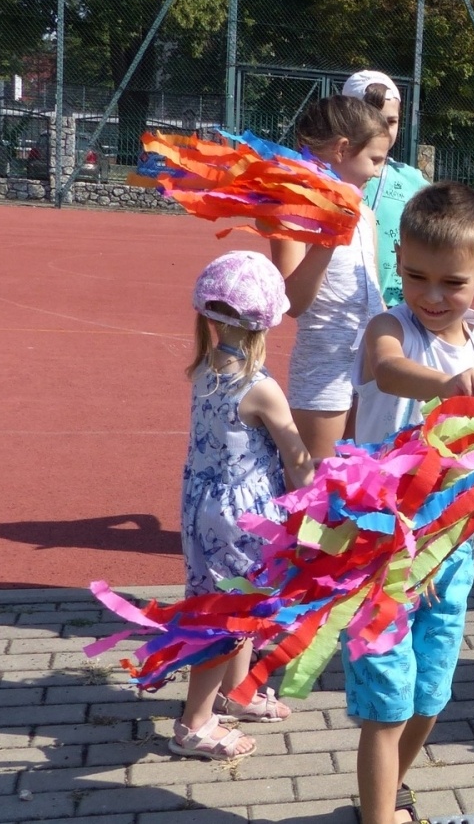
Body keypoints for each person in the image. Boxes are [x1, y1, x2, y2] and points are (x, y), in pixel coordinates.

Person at [352, 183, 474, 824]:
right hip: (381, 542)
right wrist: (449, 386)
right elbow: (388, 369)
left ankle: (389, 794)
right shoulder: (389, 327)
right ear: (398, 260)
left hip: (452, 546)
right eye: (417, 276)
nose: (433, 296)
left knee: (430, 694)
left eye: (453, 282)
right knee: (386, 701)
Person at [173, 251, 313, 760]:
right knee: (227, 615)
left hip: (204, 506)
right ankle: (194, 723)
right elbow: (297, 458)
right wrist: (321, 506)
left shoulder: (205, 367)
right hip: (243, 517)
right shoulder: (261, 388)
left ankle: (236, 692)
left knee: (241, 602)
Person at [271, 95, 393, 462]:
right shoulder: (292, 209)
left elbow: (373, 291)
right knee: (316, 479)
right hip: (323, 365)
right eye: (375, 160)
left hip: (371, 362)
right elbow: (291, 303)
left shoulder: (367, 215)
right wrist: (329, 238)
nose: (378, 172)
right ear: (342, 149)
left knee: (362, 472)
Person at [342, 70, 430, 309]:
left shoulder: (413, 180)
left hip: (398, 306)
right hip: (342, 307)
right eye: (374, 119)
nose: (383, 129)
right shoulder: (329, 178)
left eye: (391, 121)